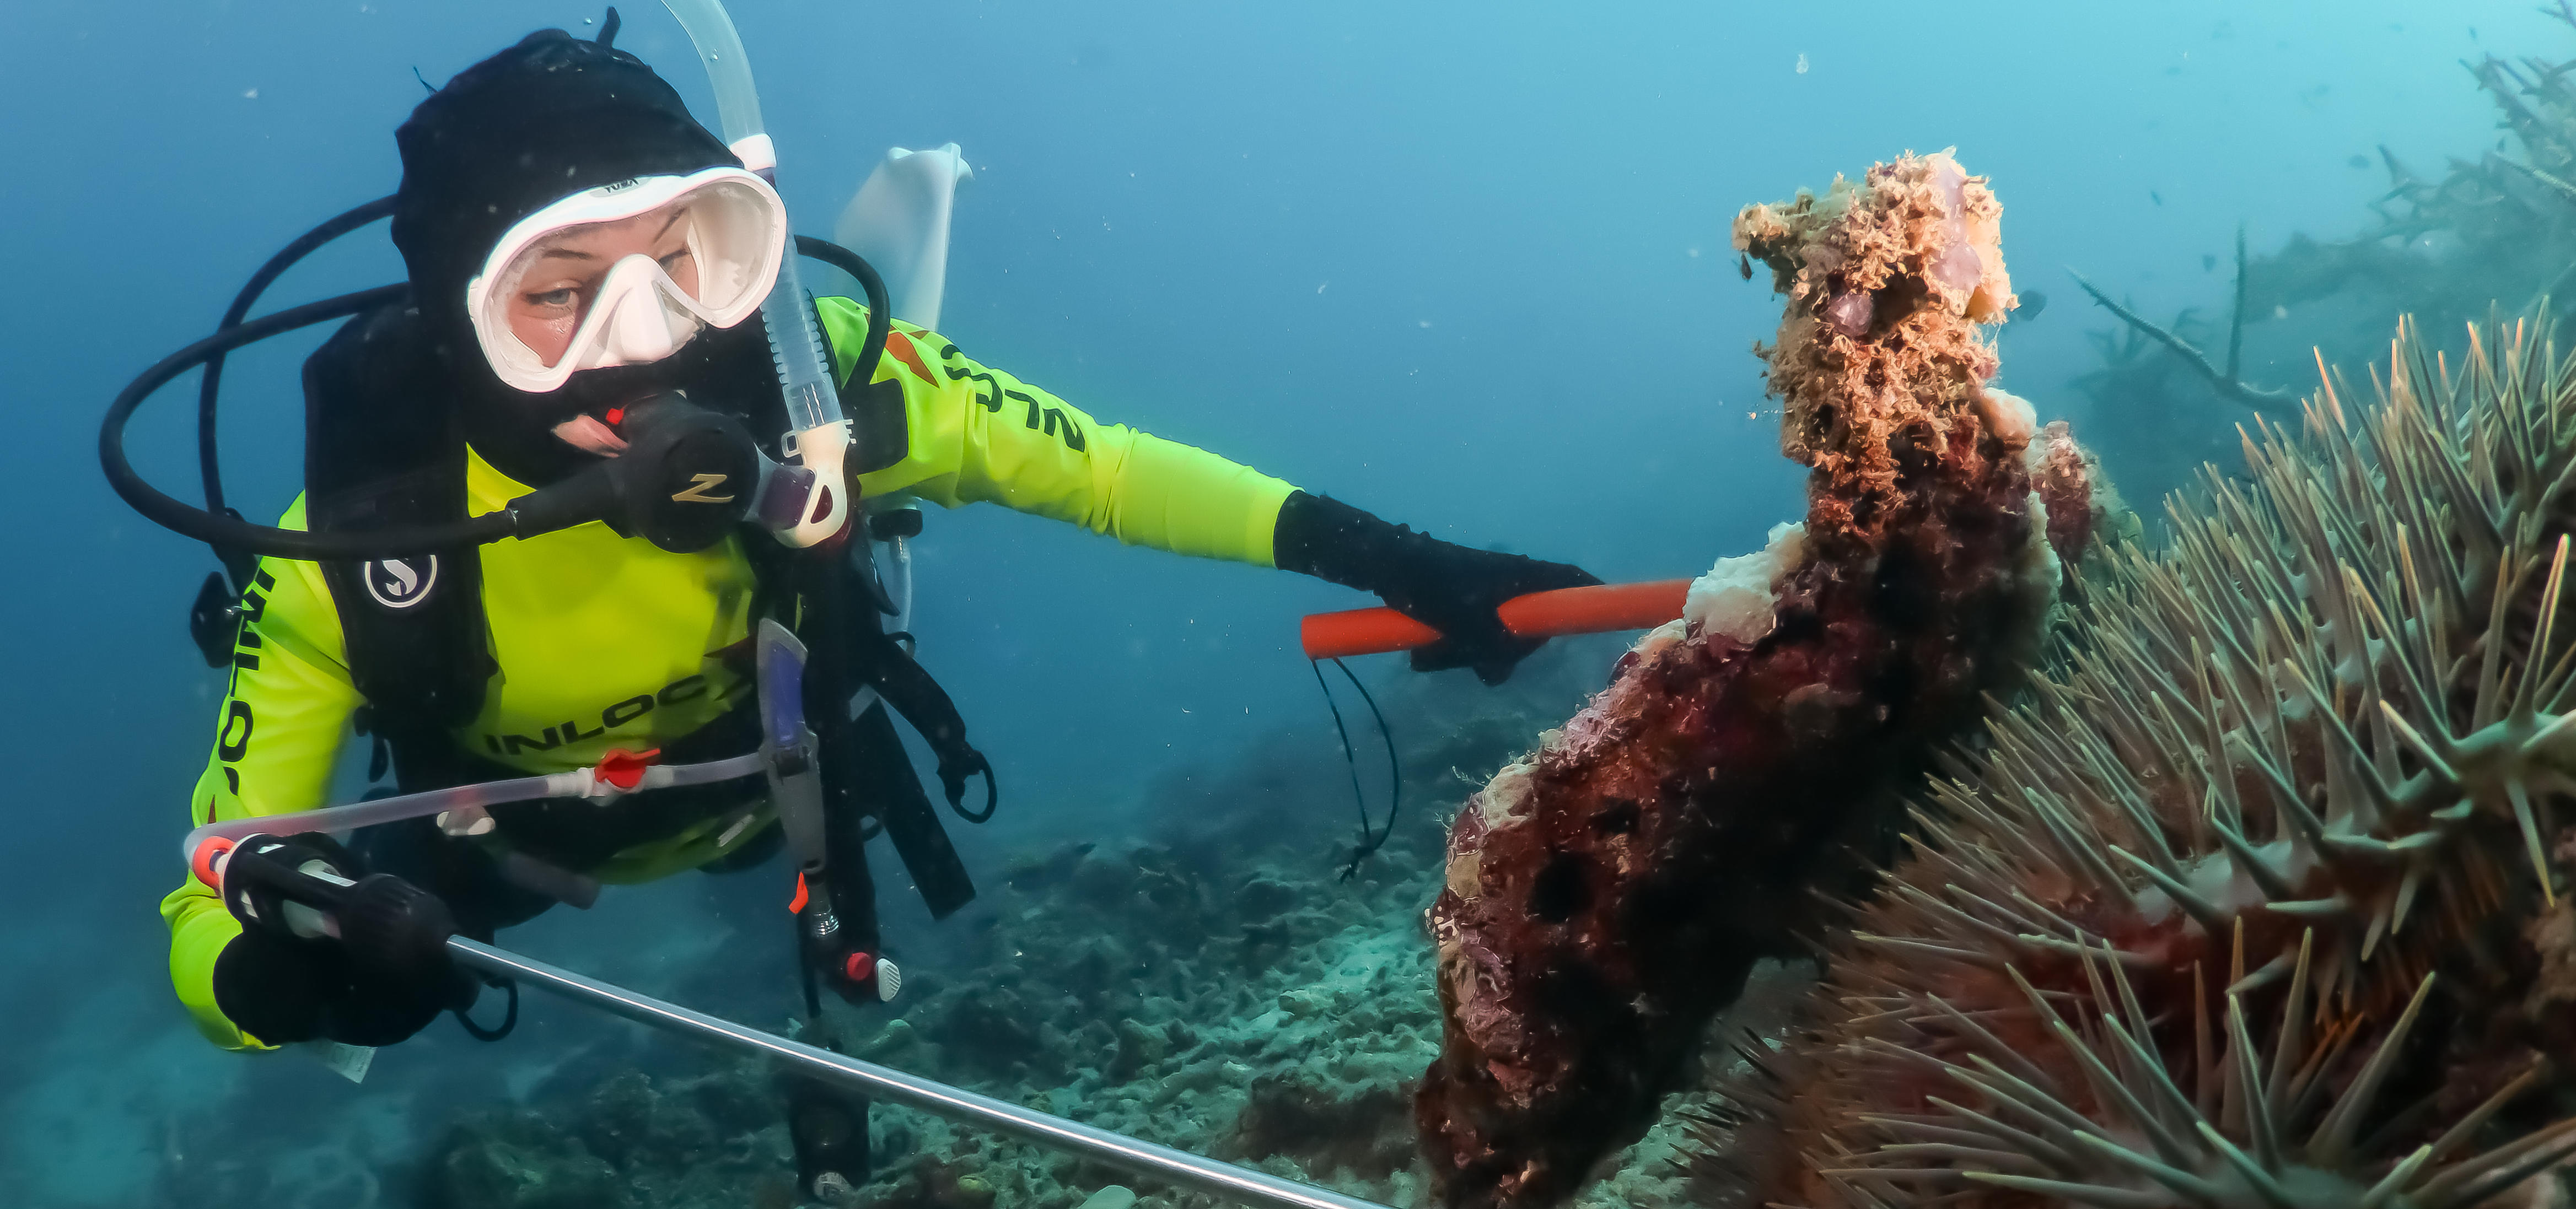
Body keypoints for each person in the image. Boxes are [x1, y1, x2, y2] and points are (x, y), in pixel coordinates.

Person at [159, 26, 1593, 1126]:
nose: (648, 339)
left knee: (857, 504)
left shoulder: (820, 383)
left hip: (788, 786)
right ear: (454, 318)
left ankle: (863, 547)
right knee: (374, 911)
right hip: (508, 862)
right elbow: (208, 889)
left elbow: (1099, 467)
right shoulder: (346, 563)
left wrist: (1398, 559)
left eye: (687, 259)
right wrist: (285, 974)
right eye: (557, 290)